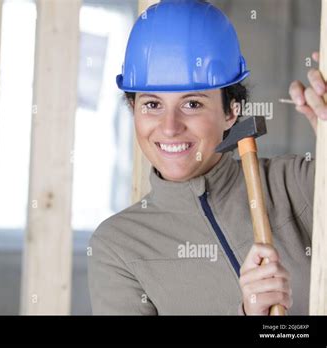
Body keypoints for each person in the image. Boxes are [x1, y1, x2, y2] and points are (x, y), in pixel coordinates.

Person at [87, 0, 327, 315]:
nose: (170, 127)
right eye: (152, 104)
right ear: (133, 110)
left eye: (193, 104)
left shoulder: (296, 184)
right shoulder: (117, 246)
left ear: (231, 111)